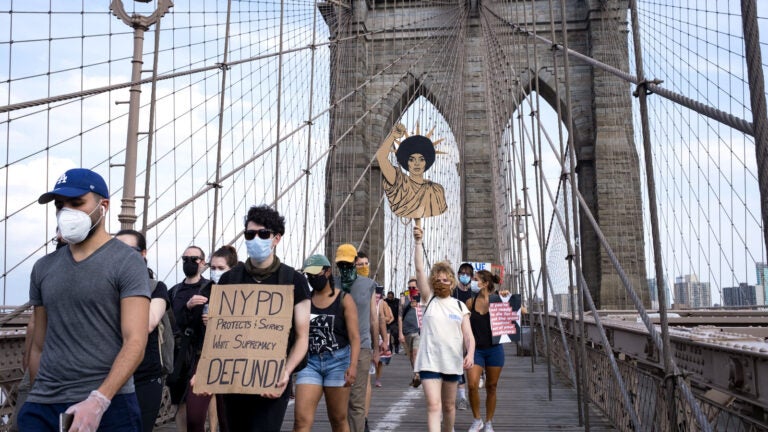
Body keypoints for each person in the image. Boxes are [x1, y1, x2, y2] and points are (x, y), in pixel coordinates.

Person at [18, 168, 150, 431]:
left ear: (104, 206)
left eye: (77, 203)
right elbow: (38, 345)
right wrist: (37, 395)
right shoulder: (43, 268)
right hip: (43, 406)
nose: (67, 212)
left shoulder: (127, 262)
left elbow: (135, 340)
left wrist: (99, 400)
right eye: (60, 205)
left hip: (109, 404)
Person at [209, 204, 311, 431]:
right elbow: (218, 334)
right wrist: (206, 373)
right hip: (233, 382)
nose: (256, 239)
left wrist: (286, 371)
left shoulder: (294, 281)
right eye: (250, 234)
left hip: (273, 380)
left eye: (263, 234)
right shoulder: (228, 280)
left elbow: (303, 337)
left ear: (276, 239)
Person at [412, 224, 474, 432]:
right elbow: (419, 269)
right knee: (434, 406)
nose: (442, 282)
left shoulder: (460, 306)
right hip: (429, 362)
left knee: (448, 406)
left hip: (452, 361)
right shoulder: (428, 299)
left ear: (452, 282)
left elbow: (469, 336)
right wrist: (418, 242)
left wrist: (471, 353)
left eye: (446, 280)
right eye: (438, 280)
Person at [293, 254, 360, 432]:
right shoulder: (304, 300)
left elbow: (354, 337)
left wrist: (353, 366)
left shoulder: (344, 299)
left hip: (338, 362)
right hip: (310, 363)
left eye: (316, 274)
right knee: (301, 420)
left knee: (338, 419)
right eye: (309, 275)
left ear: (328, 271)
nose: (312, 279)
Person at [116, 229, 170, 432]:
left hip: (145, 378)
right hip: (106, 375)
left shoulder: (156, 287)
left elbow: (149, 322)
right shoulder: (104, 286)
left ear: (143, 254)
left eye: (128, 250)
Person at [187, 245, 239, 432]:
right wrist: (189, 308)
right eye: (213, 268)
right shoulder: (204, 290)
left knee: (228, 420)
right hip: (205, 357)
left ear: (232, 269)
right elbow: (186, 326)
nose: (216, 273)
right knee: (194, 416)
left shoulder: (244, 293)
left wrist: (220, 323)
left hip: (233, 360)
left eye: (221, 268)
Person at [334, 243, 379, 432]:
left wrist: (377, 348)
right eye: (340, 263)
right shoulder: (332, 283)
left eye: (347, 262)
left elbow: (373, 318)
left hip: (362, 346)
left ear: (354, 261)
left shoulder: (368, 285)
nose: (344, 267)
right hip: (337, 348)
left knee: (357, 402)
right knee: (338, 402)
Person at [466, 270, 516, 432]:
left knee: (492, 386)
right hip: (476, 351)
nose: (472, 282)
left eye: (476, 279)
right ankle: (477, 420)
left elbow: (522, 312)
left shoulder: (498, 300)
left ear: (485, 283)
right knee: (473, 384)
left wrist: (508, 298)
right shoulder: (470, 302)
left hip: (494, 350)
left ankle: (488, 422)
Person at [167, 245, 210, 432]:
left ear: (203, 262)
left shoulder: (210, 288)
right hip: (178, 354)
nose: (189, 263)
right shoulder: (174, 291)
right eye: (185, 259)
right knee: (179, 404)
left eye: (193, 259)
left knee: (197, 407)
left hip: (201, 354)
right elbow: (169, 321)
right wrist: (187, 306)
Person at [376, 123, 447, 219]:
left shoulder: (437, 190)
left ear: (426, 162)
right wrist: (393, 136)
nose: (416, 163)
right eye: (412, 159)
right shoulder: (399, 181)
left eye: (421, 159)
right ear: (407, 162)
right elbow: (381, 157)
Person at [453, 263, 476, 411]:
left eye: (467, 274)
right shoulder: (452, 292)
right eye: (462, 273)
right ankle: (462, 397)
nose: (464, 276)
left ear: (472, 277)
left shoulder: (475, 293)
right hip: (457, 332)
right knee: (460, 364)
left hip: (474, 332)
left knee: (472, 369)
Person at [398, 279, 421, 387]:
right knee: (411, 356)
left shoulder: (422, 298)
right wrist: (400, 333)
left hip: (418, 331)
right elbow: (399, 317)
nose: (412, 289)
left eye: (414, 287)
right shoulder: (403, 299)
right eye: (409, 288)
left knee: (416, 353)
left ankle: (417, 375)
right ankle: (416, 373)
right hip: (407, 331)